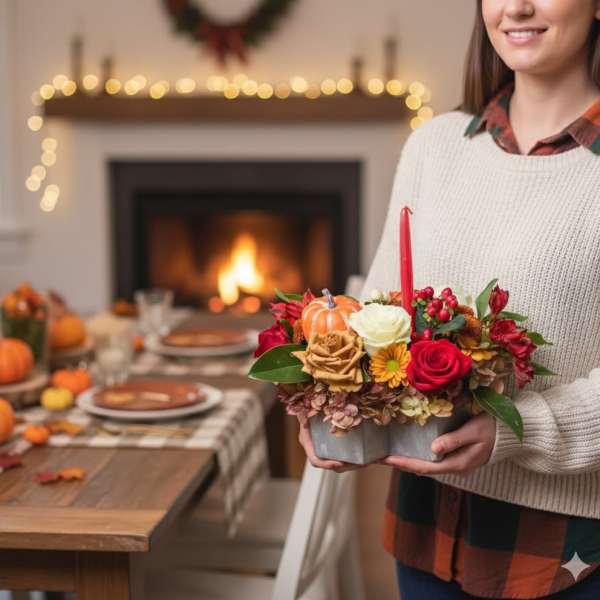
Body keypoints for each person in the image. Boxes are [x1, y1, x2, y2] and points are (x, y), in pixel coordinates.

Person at [298, 0, 600, 598]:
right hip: (424, 525)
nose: (517, 6)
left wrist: (517, 430)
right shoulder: (434, 146)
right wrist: (328, 399)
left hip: (567, 546)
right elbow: (374, 315)